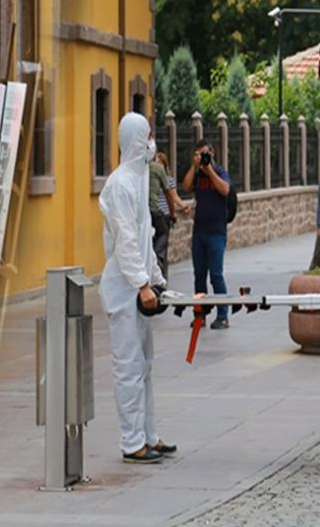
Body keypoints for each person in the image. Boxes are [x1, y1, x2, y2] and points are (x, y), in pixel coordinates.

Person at [97, 112, 175, 464]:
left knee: (144, 366)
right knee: (128, 367)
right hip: (124, 289)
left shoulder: (139, 178)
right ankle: (132, 443)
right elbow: (126, 242)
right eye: (148, 135)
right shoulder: (119, 185)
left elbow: (145, 239)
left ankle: (149, 435)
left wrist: (157, 281)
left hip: (140, 286)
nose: (152, 141)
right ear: (136, 139)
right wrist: (143, 283)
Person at [181, 140, 232, 328]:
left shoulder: (219, 171)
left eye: (204, 153)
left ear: (212, 154)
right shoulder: (196, 174)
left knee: (216, 275)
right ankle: (200, 314)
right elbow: (185, 187)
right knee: (199, 274)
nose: (202, 157)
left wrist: (209, 169)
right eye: (198, 153)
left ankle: (223, 315)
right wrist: (194, 167)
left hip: (217, 232)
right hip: (199, 231)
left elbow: (225, 190)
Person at [149, 149, 189, 279]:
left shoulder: (168, 180)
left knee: (162, 248)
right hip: (156, 213)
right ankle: (156, 265)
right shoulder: (151, 174)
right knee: (159, 242)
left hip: (164, 214)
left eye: (160, 163)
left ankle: (161, 276)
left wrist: (182, 207)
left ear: (165, 165)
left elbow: (173, 196)